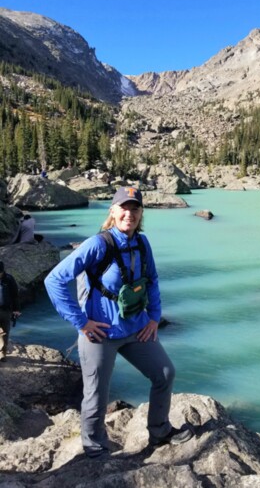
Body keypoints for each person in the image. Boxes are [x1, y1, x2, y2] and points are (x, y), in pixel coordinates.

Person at [44, 186, 193, 458]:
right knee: (96, 395)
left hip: (136, 328)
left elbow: (152, 280)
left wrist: (154, 317)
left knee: (164, 374)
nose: (130, 213)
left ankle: (159, 432)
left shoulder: (142, 243)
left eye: (135, 208)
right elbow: (54, 280)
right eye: (124, 207)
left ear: (141, 213)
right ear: (112, 211)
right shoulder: (98, 244)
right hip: (99, 334)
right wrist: (81, 321)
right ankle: (95, 448)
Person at [0, 261, 20, 362]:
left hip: (6, 310)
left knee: (5, 332)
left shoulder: (9, 279)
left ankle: (2, 354)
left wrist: (16, 310)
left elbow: (15, 295)